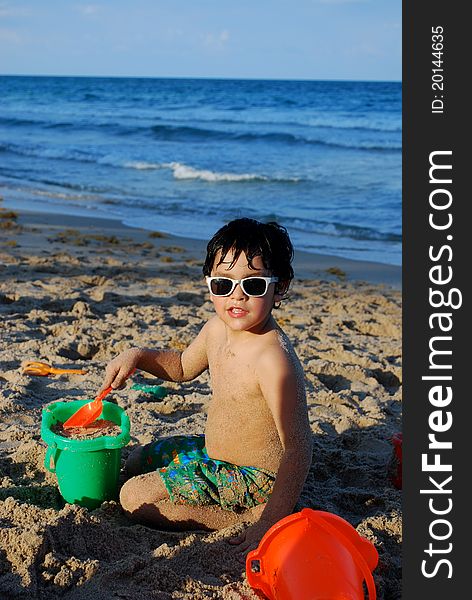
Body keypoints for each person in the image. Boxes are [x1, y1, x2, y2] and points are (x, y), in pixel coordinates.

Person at [100, 217, 313, 556]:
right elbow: (183, 367)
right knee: (139, 459)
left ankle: (242, 517)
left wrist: (268, 521)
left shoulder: (273, 360)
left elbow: (299, 449)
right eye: (222, 285)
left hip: (253, 480)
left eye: (254, 285)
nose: (237, 296)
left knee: (133, 497)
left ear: (280, 287)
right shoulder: (217, 328)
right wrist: (138, 356)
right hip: (214, 454)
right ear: (209, 284)